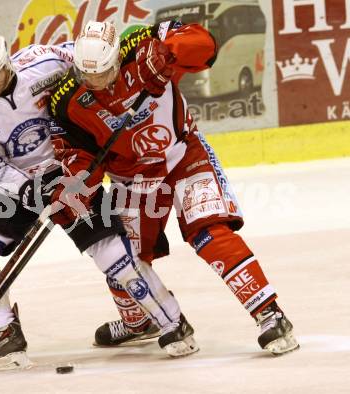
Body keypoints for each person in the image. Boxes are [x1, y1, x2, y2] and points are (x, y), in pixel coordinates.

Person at [0, 27, 197, 372]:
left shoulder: (47, 61)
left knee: (114, 254)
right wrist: (28, 190)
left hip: (73, 169)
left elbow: (93, 63)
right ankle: (3, 334)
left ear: (8, 60)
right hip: (18, 185)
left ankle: (173, 323)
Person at [47, 20, 300, 356]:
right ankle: (140, 321)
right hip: (131, 179)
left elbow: (206, 44)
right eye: (86, 76)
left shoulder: (141, 44)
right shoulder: (67, 101)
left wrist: (169, 51)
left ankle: (270, 314)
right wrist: (80, 179)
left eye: (102, 73)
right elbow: (75, 149)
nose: (94, 83)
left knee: (210, 233)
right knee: (122, 257)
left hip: (182, 156)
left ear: (116, 59)